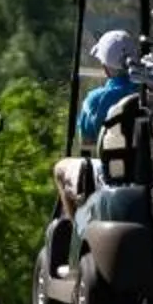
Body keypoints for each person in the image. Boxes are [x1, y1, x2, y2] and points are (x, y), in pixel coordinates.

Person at [50, 30, 141, 219]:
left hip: (110, 174)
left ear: (106, 68)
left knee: (60, 168)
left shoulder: (96, 99)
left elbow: (86, 142)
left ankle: (76, 227)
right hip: (144, 172)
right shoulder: (148, 91)